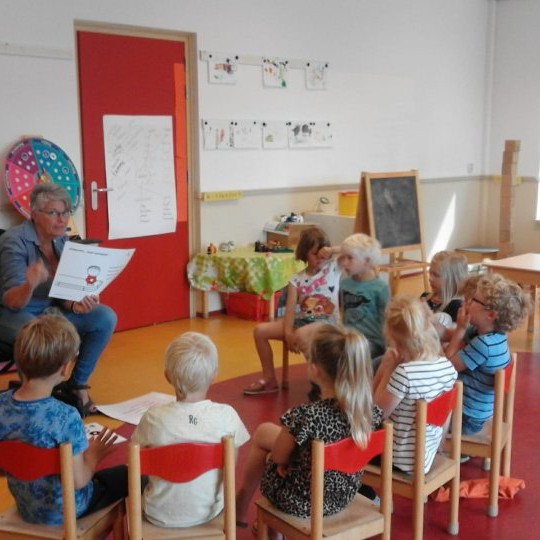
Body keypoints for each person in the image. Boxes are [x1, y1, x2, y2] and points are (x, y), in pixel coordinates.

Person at [236, 324, 383, 533]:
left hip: (301, 502)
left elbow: (278, 457)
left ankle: (249, 512)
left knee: (271, 453)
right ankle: (264, 523)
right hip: (343, 495)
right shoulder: (369, 412)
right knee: (269, 436)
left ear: (315, 369)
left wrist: (283, 461)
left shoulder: (305, 416)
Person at [0, 184, 117, 415]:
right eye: (54, 213)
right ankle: (35, 397)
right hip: (14, 313)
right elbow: (12, 301)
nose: (62, 219)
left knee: (104, 317)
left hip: (50, 310)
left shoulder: (61, 241)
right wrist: (29, 284)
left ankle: (77, 385)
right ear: (34, 214)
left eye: (65, 212)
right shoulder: (14, 242)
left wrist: (75, 303)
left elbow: (62, 291)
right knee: (39, 331)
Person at [0, 314, 127, 525]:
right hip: (69, 511)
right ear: (65, 368)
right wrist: (93, 455)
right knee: (126, 476)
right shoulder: (65, 416)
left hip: (27, 508)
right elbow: (78, 481)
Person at [131, 331, 250, 528]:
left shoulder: (153, 418)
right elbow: (231, 465)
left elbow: (135, 458)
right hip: (209, 513)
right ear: (214, 375)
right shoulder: (227, 416)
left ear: (167, 376)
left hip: (159, 516)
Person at [243, 227, 341, 395]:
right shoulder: (296, 279)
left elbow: (357, 248)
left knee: (303, 334)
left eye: (322, 253)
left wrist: (332, 250)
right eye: (315, 254)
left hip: (326, 324)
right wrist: (288, 334)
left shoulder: (332, 268)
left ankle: (323, 383)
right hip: (301, 322)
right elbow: (289, 311)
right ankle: (269, 380)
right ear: (304, 254)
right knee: (260, 331)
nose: (320, 258)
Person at [373, 295, 457, 474]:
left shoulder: (405, 374)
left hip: (398, 460)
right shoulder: (447, 367)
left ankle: (368, 495)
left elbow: (376, 414)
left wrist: (387, 368)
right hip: (427, 454)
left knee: (345, 443)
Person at [444, 273, 530, 435]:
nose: (466, 301)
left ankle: (452, 449)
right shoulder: (492, 335)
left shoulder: (483, 345)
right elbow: (450, 336)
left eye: (474, 300)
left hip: (466, 418)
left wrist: (460, 329)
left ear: (490, 315)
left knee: (417, 411)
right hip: (475, 413)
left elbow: (447, 366)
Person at [339, 233, 389, 359]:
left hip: (372, 343)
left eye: (350, 258)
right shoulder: (344, 284)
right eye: (343, 257)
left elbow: (387, 320)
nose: (344, 263)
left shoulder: (380, 288)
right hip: (349, 339)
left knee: (350, 356)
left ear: (366, 261)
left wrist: (389, 349)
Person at [421, 251, 469, 328]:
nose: (430, 278)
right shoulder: (425, 297)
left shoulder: (456, 306)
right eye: (430, 273)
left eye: (436, 275)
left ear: (453, 280)